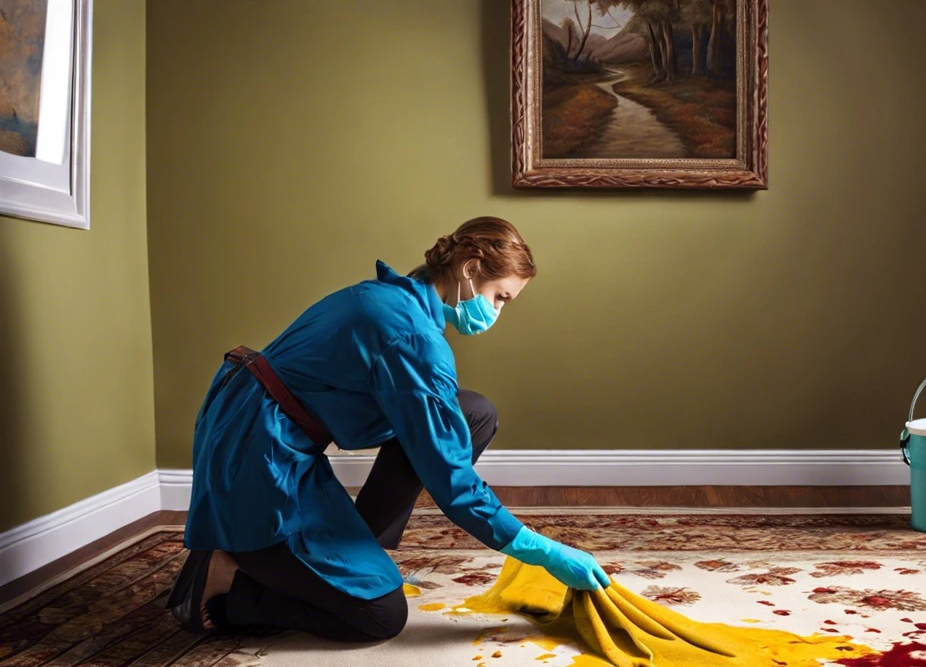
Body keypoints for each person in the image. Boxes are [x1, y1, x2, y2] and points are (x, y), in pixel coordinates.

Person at [165, 216, 610, 641]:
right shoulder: (414, 339)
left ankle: (353, 553)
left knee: (472, 412)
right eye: (500, 297)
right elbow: (453, 482)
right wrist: (543, 551)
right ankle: (229, 583)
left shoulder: (391, 297)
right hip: (257, 456)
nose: (495, 312)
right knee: (380, 615)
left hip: (251, 423)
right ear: (471, 269)